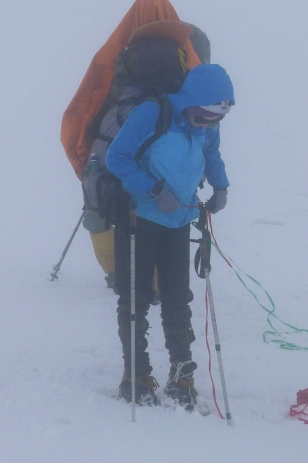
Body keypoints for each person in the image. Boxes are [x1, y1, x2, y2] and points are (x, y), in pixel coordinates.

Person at [106, 63, 234, 409]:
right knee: (135, 298)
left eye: (214, 119)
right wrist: (152, 190)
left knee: (178, 299)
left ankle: (182, 375)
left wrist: (220, 183)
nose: (206, 124)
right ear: (190, 101)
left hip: (180, 218)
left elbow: (210, 153)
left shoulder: (207, 122)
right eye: (203, 116)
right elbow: (116, 158)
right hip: (139, 218)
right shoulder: (152, 113)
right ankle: (136, 374)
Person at [61, 0, 208, 289]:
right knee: (155, 210)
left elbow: (92, 97)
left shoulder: (122, 52)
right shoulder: (187, 51)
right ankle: (156, 282)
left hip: (108, 156)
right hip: (164, 167)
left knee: (101, 202)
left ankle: (118, 274)